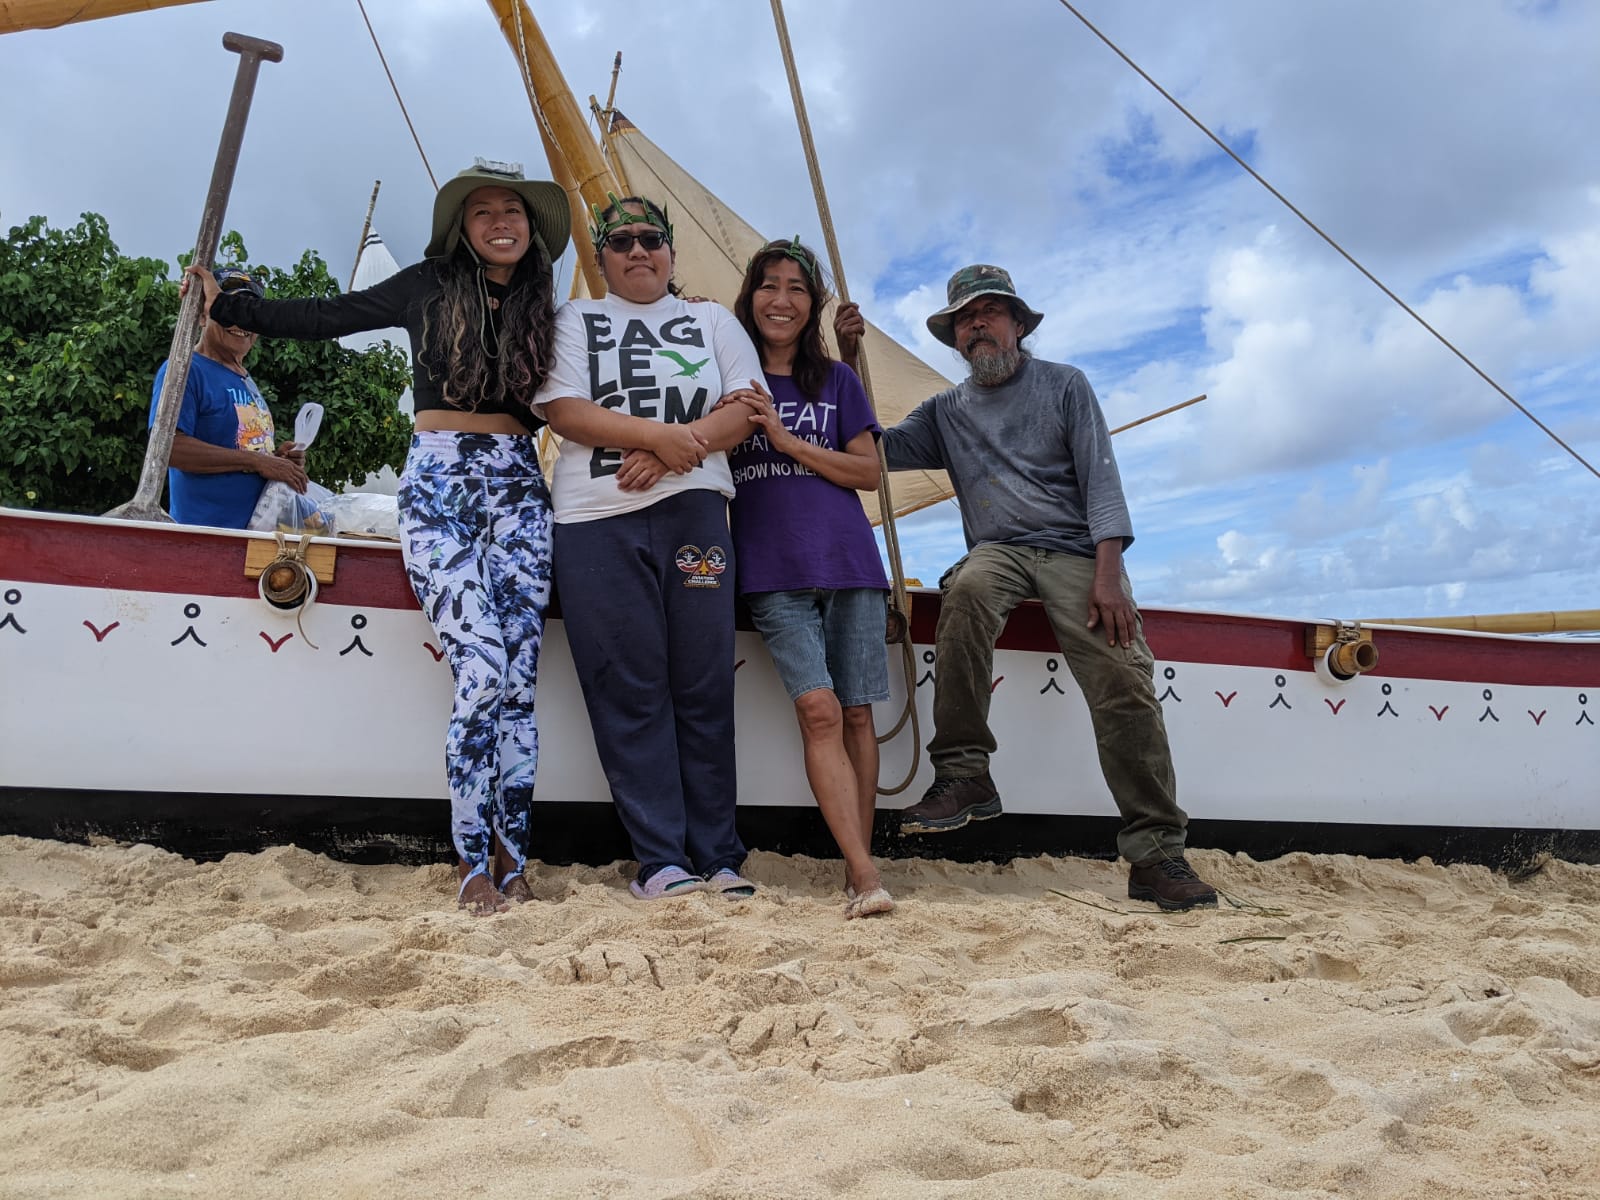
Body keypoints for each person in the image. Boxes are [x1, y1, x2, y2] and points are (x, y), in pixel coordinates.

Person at [188, 159, 570, 916]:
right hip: (439, 481)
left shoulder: (545, 306)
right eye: (483, 209)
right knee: (483, 669)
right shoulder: (425, 284)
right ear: (461, 226)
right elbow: (329, 315)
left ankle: (513, 854)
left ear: (532, 229)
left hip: (520, 485)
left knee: (521, 682)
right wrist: (233, 303)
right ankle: (469, 861)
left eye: (514, 211)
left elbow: (582, 384)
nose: (500, 221)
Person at [835, 264, 1218, 911]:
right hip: (998, 551)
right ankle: (965, 772)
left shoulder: (1066, 386)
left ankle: (1155, 853)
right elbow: (873, 453)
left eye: (989, 312)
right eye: (964, 318)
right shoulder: (945, 412)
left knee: (1124, 680)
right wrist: (848, 356)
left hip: (1075, 551)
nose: (977, 324)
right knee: (967, 591)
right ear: (955, 338)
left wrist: (1109, 574)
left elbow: (1102, 481)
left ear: (1018, 323)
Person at [532, 194, 764, 901]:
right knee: (627, 687)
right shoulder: (575, 318)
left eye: (651, 240)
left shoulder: (710, 319)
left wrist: (672, 452)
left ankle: (719, 855)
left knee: (701, 684)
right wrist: (654, 437)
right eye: (622, 241)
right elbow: (563, 410)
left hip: (694, 513)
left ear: (670, 252)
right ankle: (660, 859)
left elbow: (749, 408)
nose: (638, 251)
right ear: (599, 256)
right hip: (593, 519)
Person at [726, 238, 894, 919]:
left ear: (812, 304)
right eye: (769, 285)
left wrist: (789, 441)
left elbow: (868, 473)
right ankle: (864, 870)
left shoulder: (839, 384)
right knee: (819, 709)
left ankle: (860, 871)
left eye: (797, 288)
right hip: (771, 569)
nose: (782, 299)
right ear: (750, 297)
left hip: (850, 561)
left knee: (857, 713)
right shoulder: (726, 380)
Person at [151, 266, 308, 528]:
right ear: (203, 316)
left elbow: (245, 450)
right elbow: (168, 448)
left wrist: (278, 461)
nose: (242, 323)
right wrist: (257, 462)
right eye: (230, 310)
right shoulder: (185, 370)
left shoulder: (246, 380)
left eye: (248, 312)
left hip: (253, 540)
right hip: (207, 539)